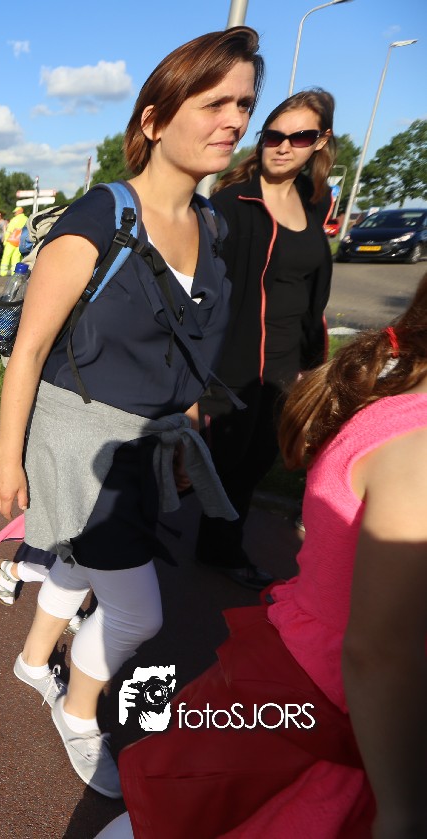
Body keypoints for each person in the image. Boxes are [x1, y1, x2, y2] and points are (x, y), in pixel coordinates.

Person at [0, 27, 264, 798]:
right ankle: (80, 711)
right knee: (138, 614)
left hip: (147, 441)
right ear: (154, 119)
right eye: (213, 103)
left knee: (80, 562)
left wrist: (185, 428)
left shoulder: (210, 225)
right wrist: (6, 458)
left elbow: (188, 350)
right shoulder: (104, 214)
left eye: (244, 103)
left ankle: (34, 661)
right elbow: (29, 350)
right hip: (79, 436)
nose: (234, 120)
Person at [103, 273, 427, 839]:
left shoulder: (397, 409)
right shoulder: (416, 449)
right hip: (341, 713)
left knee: (188, 811)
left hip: (299, 677)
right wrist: (403, 812)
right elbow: (380, 651)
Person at [196, 88, 336, 589]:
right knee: (219, 459)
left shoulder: (315, 201)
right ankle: (129, 551)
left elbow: (312, 290)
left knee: (257, 460)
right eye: (273, 135)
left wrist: (311, 364)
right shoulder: (232, 204)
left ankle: (216, 545)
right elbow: (204, 290)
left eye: (299, 137)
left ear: (320, 141)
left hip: (287, 360)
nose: (283, 146)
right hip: (236, 361)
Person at [0, 206, 28, 276]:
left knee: (6, 256)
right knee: (16, 257)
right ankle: (14, 272)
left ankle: (3, 272)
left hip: (11, 241)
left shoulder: (14, 219)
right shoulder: (27, 219)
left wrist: (5, 240)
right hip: (21, 241)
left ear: (19, 211)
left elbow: (9, 230)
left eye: (15, 212)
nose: (14, 213)